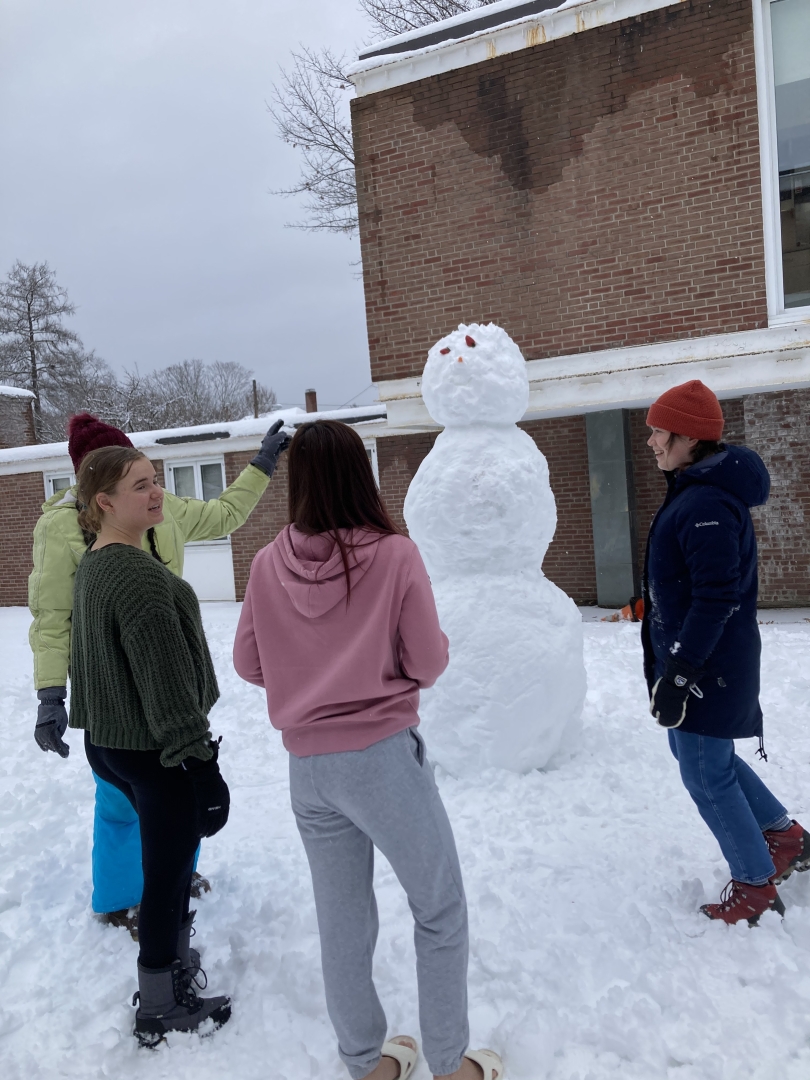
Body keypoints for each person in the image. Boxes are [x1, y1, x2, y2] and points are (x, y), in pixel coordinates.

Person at [233, 420, 503, 1080]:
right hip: (382, 759)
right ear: (363, 476)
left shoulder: (268, 563)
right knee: (439, 909)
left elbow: (247, 662)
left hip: (309, 771)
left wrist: (307, 682)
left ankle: (367, 1064)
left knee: (343, 925)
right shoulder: (394, 555)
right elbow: (429, 661)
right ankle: (449, 1065)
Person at [30, 411, 289, 935]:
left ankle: (173, 872)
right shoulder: (60, 527)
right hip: (112, 682)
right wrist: (51, 693)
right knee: (123, 798)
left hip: (165, 663)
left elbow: (223, 514)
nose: (151, 491)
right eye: (134, 479)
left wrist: (261, 465)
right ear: (96, 486)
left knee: (178, 782)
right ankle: (122, 897)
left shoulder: (162, 507)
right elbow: (52, 616)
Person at [70, 444, 232, 1044]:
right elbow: (162, 683)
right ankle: (163, 999)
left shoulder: (98, 562)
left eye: (156, 480)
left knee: (163, 862)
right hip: (153, 749)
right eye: (140, 486)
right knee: (165, 874)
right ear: (104, 502)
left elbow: (93, 661)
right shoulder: (134, 576)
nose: (156, 492)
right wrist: (202, 765)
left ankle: (171, 962)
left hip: (112, 744)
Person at [642, 380, 810, 926]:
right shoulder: (696, 493)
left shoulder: (706, 503)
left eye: (658, 432)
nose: (650, 442)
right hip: (702, 662)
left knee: (704, 774)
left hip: (708, 668)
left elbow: (717, 598)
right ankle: (782, 837)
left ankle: (756, 885)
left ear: (688, 437)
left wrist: (683, 673)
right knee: (703, 760)